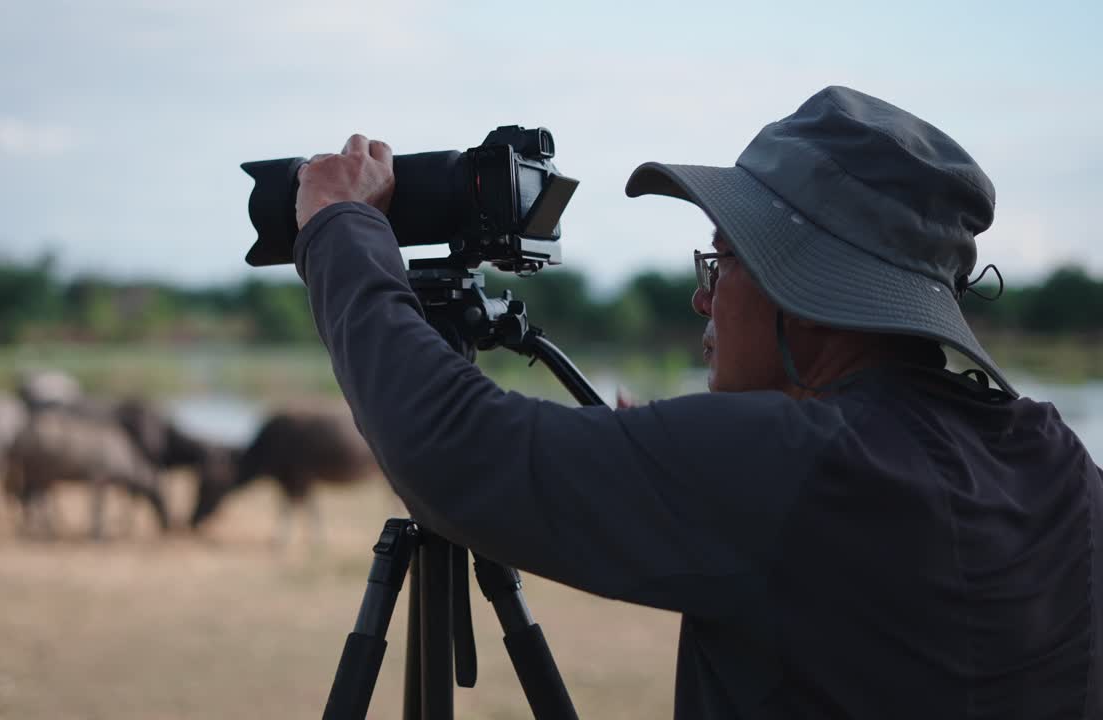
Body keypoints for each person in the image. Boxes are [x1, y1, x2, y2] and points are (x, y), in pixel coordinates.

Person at [287, 86, 1102, 718]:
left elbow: (453, 451)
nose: (702, 303)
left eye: (720, 266)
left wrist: (342, 231)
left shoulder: (791, 465)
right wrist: (684, 458)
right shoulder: (1056, 461)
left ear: (805, 290)